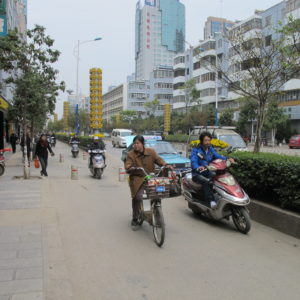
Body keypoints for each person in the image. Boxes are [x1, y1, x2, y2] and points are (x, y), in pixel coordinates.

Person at [124, 135, 173, 229]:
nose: (135, 145)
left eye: (137, 143)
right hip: (137, 179)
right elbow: (128, 165)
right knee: (137, 197)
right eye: (134, 143)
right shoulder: (131, 154)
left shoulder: (151, 152)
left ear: (142, 144)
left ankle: (157, 214)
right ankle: (135, 218)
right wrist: (130, 168)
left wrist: (166, 165)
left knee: (158, 194)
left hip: (151, 178)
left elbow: (159, 160)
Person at [191, 132, 235, 209]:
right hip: (198, 174)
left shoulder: (211, 149)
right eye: (206, 140)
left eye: (209, 140)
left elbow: (218, 156)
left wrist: (228, 159)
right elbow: (193, 161)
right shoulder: (196, 150)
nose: (208, 142)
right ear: (201, 141)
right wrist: (198, 167)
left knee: (219, 177)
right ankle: (211, 201)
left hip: (209, 171)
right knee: (206, 181)